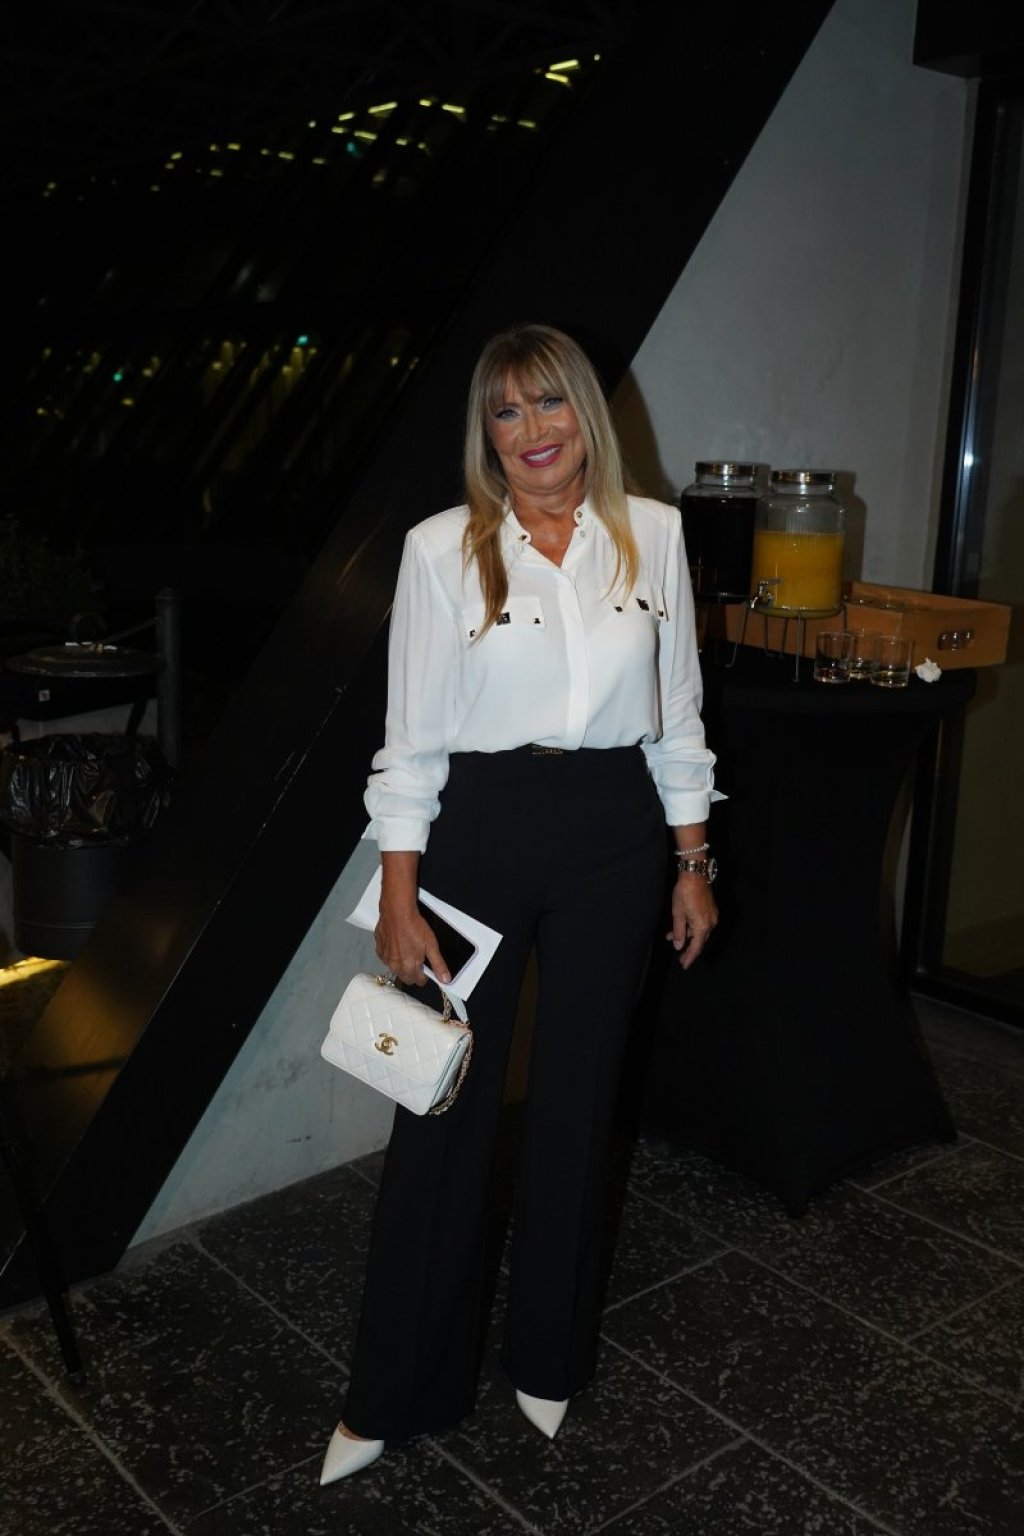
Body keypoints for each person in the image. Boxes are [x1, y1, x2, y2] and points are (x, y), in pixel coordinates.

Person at [320, 322, 720, 1485]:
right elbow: (409, 745)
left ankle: (549, 1355)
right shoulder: (440, 549)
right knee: (439, 1101)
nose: (532, 430)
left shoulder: (654, 535)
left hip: (613, 835)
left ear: (584, 414)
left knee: (579, 1097)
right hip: (478, 831)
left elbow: (678, 717)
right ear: (485, 434)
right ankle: (395, 1389)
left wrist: (693, 863)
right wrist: (399, 899)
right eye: (507, 411)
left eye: (549, 404)